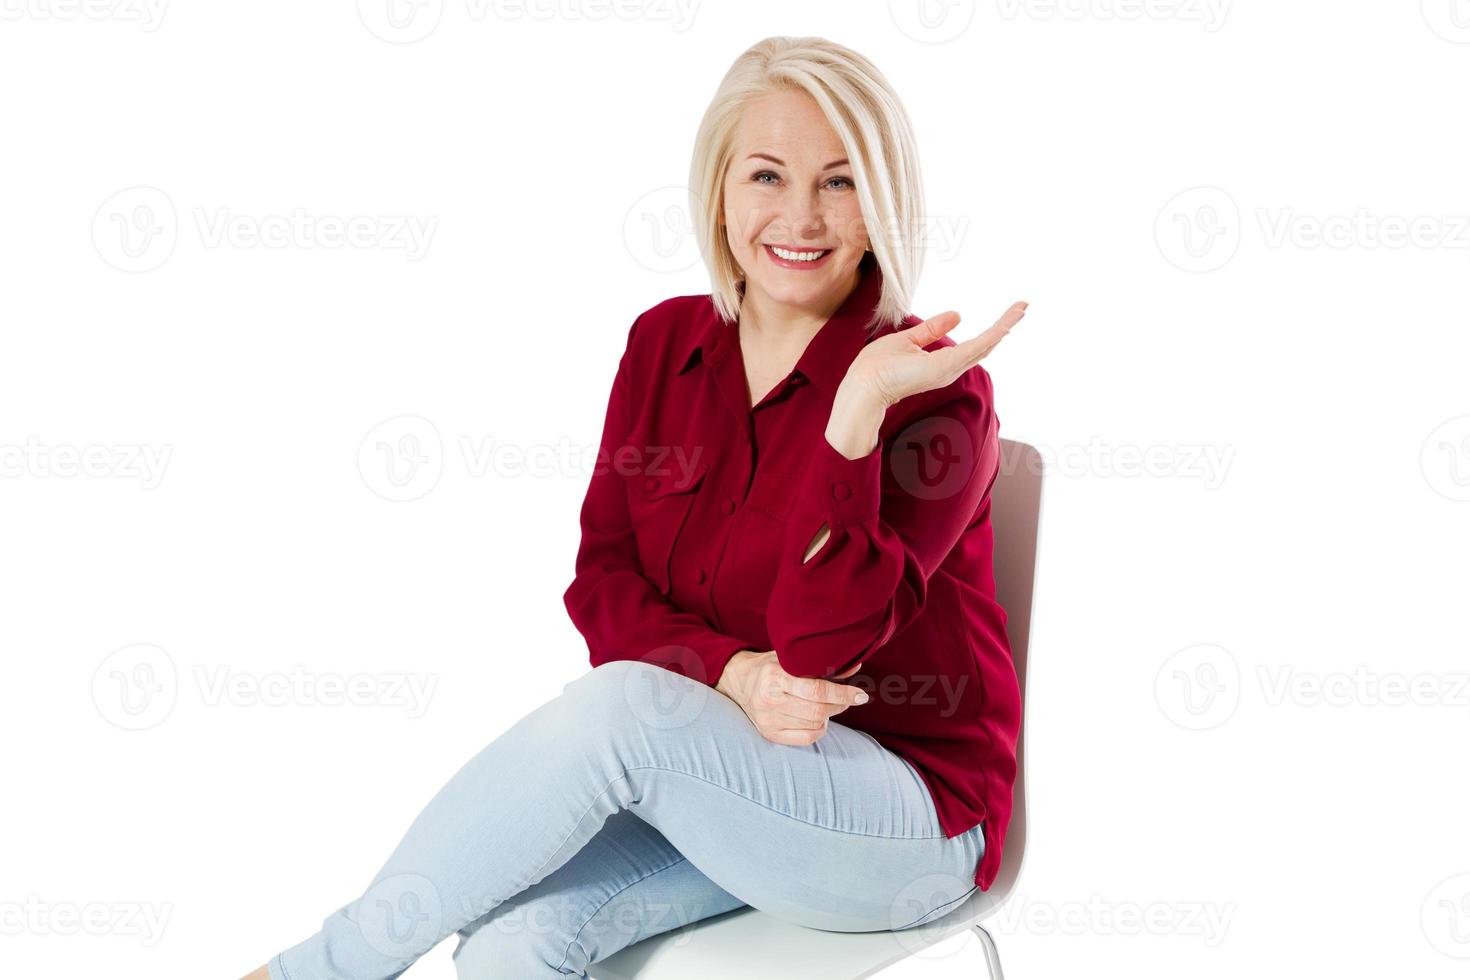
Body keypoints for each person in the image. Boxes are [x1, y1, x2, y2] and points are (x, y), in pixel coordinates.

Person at [244, 34, 1026, 980]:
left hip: (906, 821)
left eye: (840, 181)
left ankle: (314, 973)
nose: (801, 217)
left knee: (624, 715)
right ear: (720, 189)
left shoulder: (936, 396)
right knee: (510, 945)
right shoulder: (664, 346)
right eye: (767, 176)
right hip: (718, 782)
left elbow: (823, 656)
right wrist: (731, 676)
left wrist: (853, 417)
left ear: (882, 200)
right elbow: (602, 584)